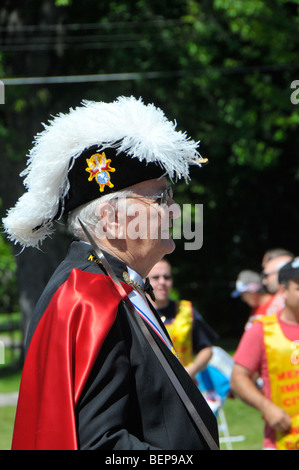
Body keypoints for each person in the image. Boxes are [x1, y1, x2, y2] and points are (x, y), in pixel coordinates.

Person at [3, 96, 219, 450]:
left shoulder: (111, 285)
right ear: (113, 219)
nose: (175, 211)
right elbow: (101, 447)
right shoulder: (88, 297)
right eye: (161, 198)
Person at [231, 257, 299, 450]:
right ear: (284, 291)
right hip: (282, 441)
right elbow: (238, 379)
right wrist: (267, 408)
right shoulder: (262, 329)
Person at [147, 258, 218, 380]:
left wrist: (192, 370)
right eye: (156, 277)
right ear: (144, 281)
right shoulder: (136, 311)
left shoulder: (186, 311)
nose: (162, 282)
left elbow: (206, 350)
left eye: (167, 277)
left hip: (184, 384)